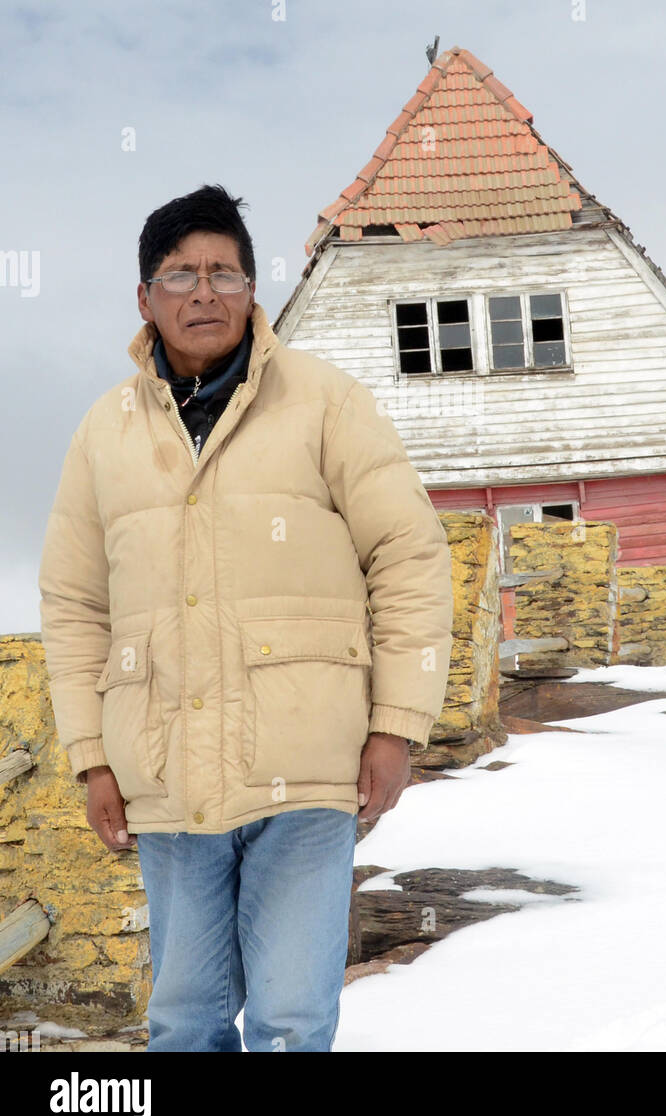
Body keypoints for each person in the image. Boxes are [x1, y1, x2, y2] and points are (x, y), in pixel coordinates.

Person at [38, 183, 454, 1052]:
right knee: (184, 1023)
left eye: (225, 274)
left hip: (307, 767)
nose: (204, 293)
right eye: (180, 274)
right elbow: (76, 607)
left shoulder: (325, 403)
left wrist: (397, 728)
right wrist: (91, 759)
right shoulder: (103, 433)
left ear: (253, 290)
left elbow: (408, 559)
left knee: (291, 1022)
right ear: (144, 297)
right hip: (165, 779)